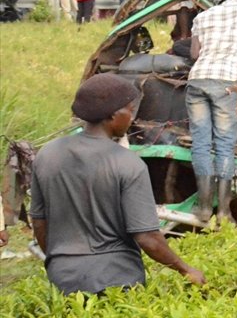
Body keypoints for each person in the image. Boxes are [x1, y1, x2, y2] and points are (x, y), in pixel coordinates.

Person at [29, 74, 206, 295]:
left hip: (63, 276)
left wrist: (59, 263)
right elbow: (148, 238)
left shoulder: (47, 154)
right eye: (130, 110)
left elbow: (39, 223)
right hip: (117, 278)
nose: (132, 118)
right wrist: (186, 269)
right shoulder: (128, 163)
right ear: (113, 114)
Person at [187, 0, 237, 226]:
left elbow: (194, 54)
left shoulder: (203, 16)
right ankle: (224, 211)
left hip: (196, 81)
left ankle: (204, 208)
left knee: (201, 144)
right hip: (226, 83)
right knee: (225, 145)